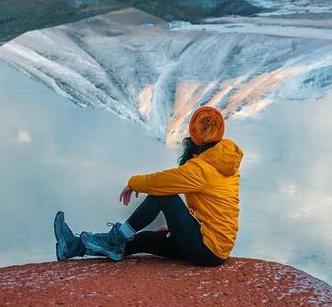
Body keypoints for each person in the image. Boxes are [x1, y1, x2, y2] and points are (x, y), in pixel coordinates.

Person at [53, 106, 243, 267]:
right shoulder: (222, 160)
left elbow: (163, 183)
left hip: (207, 248)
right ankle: (73, 246)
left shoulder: (203, 168)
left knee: (164, 197)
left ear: (193, 134)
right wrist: (179, 226)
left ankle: (115, 238)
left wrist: (133, 183)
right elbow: (215, 208)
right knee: (140, 240)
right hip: (210, 243)